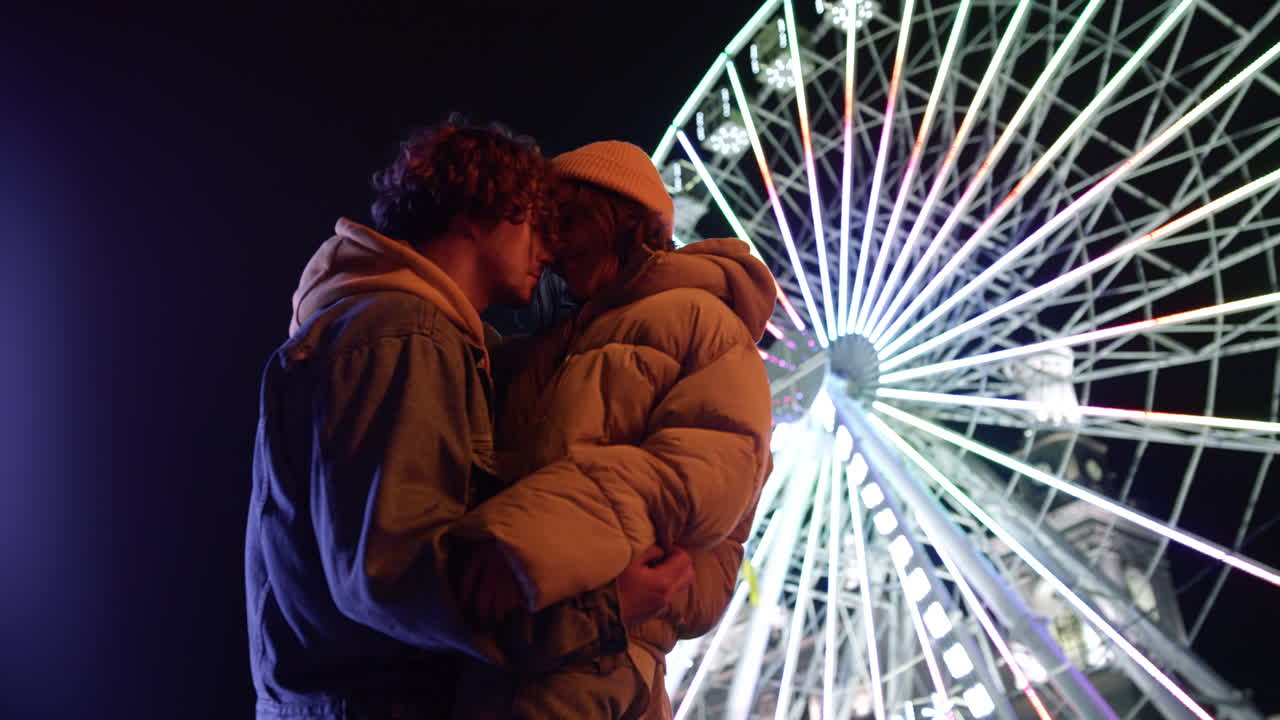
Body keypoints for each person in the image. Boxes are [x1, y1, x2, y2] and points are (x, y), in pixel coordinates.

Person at [245, 120, 692, 720]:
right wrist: (604, 611)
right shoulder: (404, 334)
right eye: (533, 222)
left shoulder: (395, 331)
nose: (549, 250)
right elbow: (393, 578)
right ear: (477, 215)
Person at [459, 140, 777, 719]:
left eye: (567, 222)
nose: (552, 247)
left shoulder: (702, 321)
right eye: (542, 228)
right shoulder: (561, 343)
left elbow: (703, 478)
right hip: (545, 639)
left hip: (607, 654)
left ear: (619, 220)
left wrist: (526, 540)